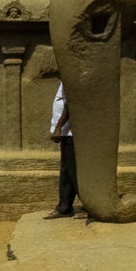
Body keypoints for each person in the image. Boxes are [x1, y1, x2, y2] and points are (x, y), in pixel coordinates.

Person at [44, 81, 82, 220]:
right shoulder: (64, 80)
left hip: (73, 134)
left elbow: (71, 104)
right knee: (67, 172)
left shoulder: (72, 78)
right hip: (67, 135)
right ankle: (64, 207)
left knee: (75, 172)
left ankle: (91, 207)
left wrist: (58, 128)